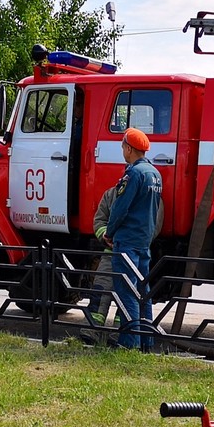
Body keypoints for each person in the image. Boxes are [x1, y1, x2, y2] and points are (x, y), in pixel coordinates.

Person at [80, 178, 165, 344]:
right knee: (100, 292)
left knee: (126, 296)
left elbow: (153, 228)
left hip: (132, 254)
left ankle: (119, 336)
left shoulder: (151, 197)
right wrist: (106, 237)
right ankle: (91, 331)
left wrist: (126, 241)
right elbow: (99, 220)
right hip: (110, 254)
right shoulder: (111, 194)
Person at [105, 127, 163, 351]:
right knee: (143, 292)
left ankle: (130, 343)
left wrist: (109, 232)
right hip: (143, 241)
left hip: (127, 241)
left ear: (129, 148)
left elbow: (120, 208)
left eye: (122, 146)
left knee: (127, 291)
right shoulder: (155, 173)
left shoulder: (134, 174)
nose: (122, 150)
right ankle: (146, 342)